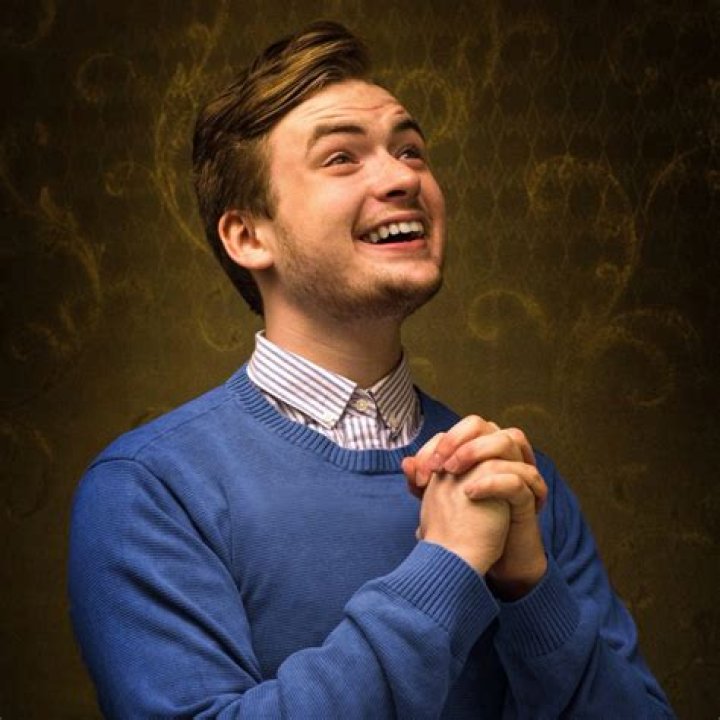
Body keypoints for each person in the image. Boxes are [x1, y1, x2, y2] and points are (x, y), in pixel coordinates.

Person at [68, 21, 675, 719]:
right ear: (248, 235)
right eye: (341, 158)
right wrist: (446, 567)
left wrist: (530, 587)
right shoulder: (150, 489)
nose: (403, 177)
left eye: (410, 150)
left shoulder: (517, 483)